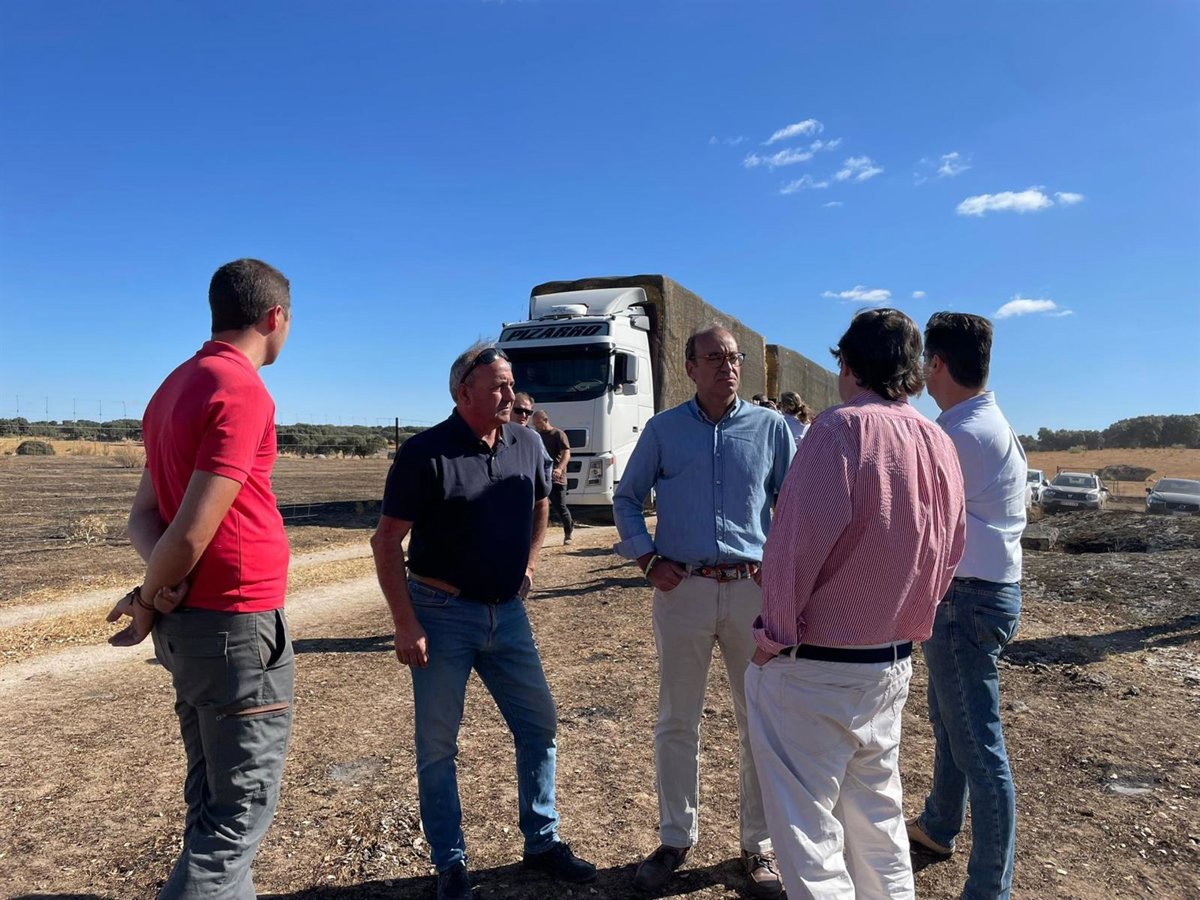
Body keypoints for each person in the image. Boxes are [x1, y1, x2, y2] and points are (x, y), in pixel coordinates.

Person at [745, 308, 966, 900]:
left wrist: (771, 639)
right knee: (877, 822)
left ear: (846, 363)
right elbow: (950, 549)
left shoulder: (840, 430)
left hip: (816, 664)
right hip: (890, 659)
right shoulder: (938, 442)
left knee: (810, 837)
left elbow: (795, 546)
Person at [370, 342, 596, 900]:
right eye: (498, 386)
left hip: (508, 615)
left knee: (539, 726)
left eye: (511, 384)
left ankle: (542, 841)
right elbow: (386, 541)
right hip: (441, 613)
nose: (510, 395)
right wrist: (405, 623)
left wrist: (530, 564)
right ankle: (450, 863)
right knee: (438, 745)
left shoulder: (527, 442)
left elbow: (541, 501)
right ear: (463, 392)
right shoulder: (425, 452)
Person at [106, 258, 296, 899]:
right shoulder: (240, 389)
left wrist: (155, 590)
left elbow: (143, 520)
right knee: (236, 819)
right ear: (275, 316)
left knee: (211, 803)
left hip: (196, 631)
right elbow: (187, 535)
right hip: (235, 629)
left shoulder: (173, 387)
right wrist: (149, 597)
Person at [613, 323, 795, 898]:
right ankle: (675, 838)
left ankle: (758, 845)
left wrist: (778, 566)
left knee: (758, 720)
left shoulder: (770, 428)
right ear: (689, 368)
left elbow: (793, 506)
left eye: (734, 358)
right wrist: (646, 558)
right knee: (676, 718)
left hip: (751, 593)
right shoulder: (663, 430)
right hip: (683, 591)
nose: (727, 367)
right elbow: (626, 497)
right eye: (714, 358)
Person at [908, 312, 1027, 900]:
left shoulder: (959, 435)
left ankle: (988, 887)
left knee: (979, 746)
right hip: (983, 591)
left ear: (937, 363)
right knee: (951, 722)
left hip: (966, 597)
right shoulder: (985, 423)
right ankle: (938, 824)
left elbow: (917, 519)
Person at [532, 409, 574, 545]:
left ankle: (568, 533)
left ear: (545, 420)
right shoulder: (536, 436)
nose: (536, 427)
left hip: (556, 477)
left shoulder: (558, 434)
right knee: (537, 506)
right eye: (534, 424)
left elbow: (566, 453)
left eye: (538, 423)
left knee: (560, 506)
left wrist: (559, 469)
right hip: (541, 476)